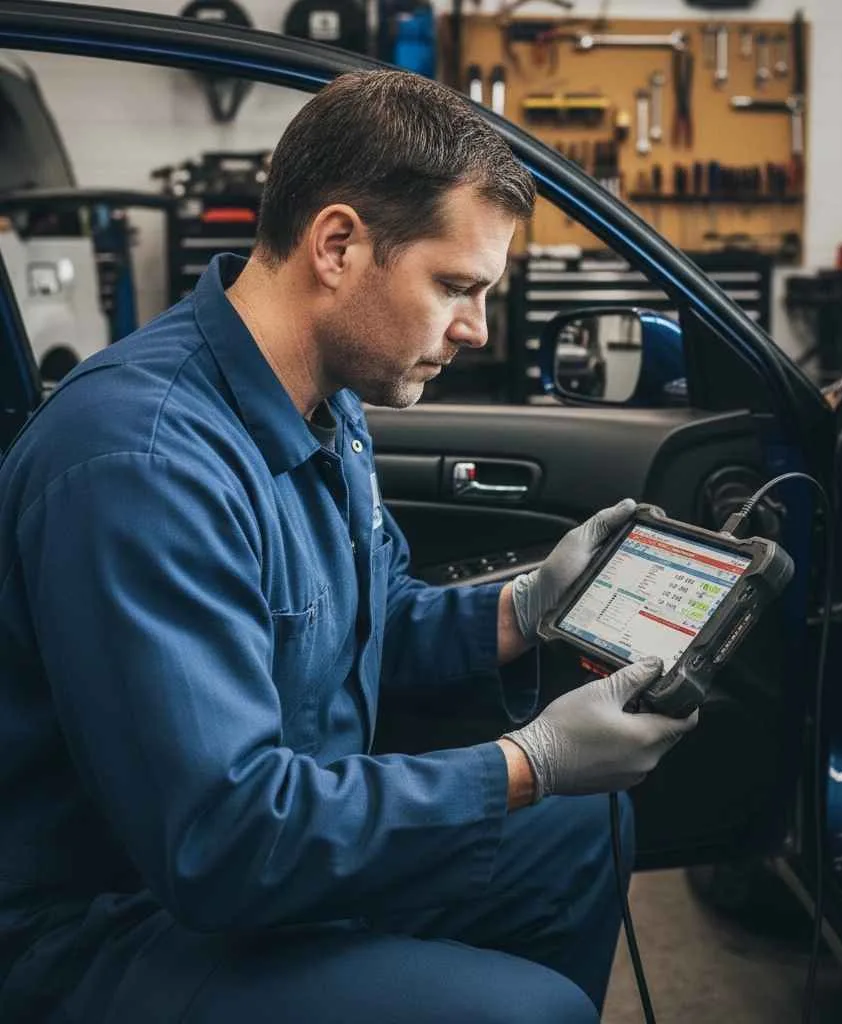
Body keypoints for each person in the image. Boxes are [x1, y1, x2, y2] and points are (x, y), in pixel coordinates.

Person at [0, 70, 697, 1023]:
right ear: (337, 244)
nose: (474, 327)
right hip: (112, 918)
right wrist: (526, 760)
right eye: (456, 285)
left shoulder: (330, 402)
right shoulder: (142, 463)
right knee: (528, 1012)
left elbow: (370, 619)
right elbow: (221, 842)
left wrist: (525, 608)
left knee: (583, 825)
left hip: (271, 848)